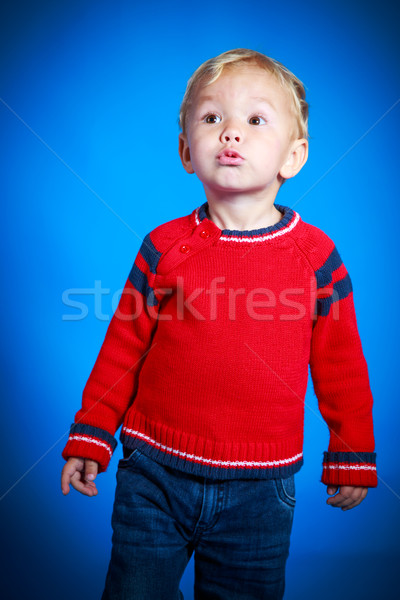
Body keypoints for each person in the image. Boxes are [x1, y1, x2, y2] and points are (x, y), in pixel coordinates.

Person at [61, 48, 377, 599]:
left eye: (255, 121)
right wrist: (91, 435)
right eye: (213, 119)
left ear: (293, 156)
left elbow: (342, 365)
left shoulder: (316, 257)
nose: (231, 133)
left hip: (261, 488)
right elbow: (122, 349)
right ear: (187, 151)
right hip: (153, 473)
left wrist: (352, 451)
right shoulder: (164, 247)